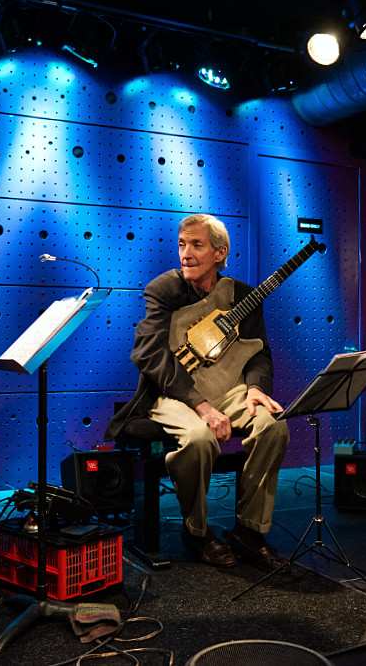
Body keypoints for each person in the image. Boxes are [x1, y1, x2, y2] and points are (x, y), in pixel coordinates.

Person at [104, 213, 290, 571]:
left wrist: (254, 389)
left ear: (220, 253)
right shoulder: (164, 289)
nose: (185, 253)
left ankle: (248, 531)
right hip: (173, 393)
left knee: (273, 427)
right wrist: (201, 406)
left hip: (228, 389)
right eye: (182, 245)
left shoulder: (243, 295)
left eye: (196, 245)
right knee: (199, 439)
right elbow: (149, 354)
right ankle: (197, 532)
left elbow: (259, 352)